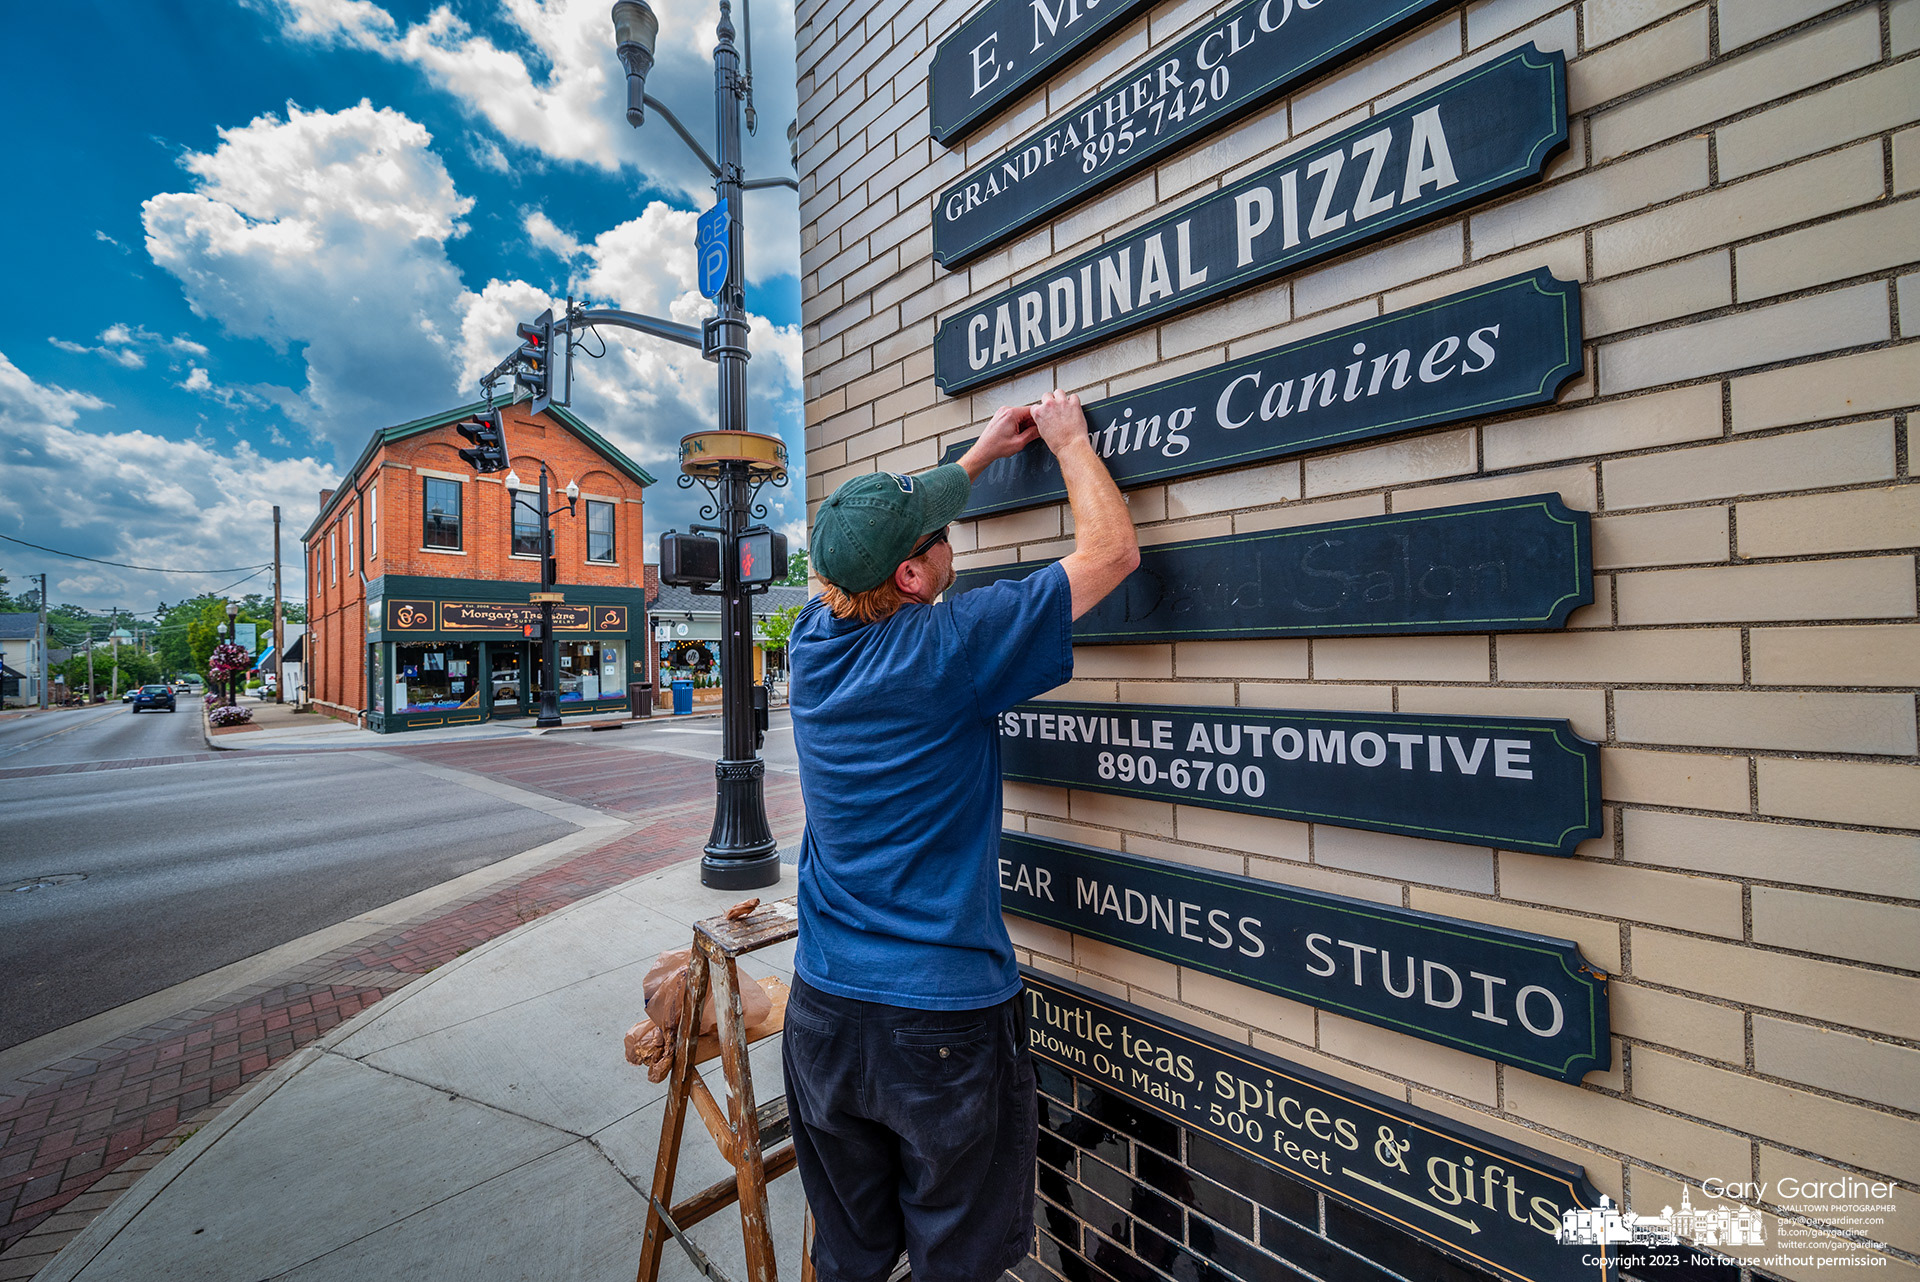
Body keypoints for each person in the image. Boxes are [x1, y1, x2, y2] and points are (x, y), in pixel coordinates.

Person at [784, 389, 1139, 1282]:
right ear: (911, 577)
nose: (952, 542)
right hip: (937, 1025)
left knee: (851, 1258)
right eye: (940, 537)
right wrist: (1067, 444)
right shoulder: (949, 651)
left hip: (822, 1012)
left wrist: (976, 457)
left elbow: (893, 539)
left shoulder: (812, 641)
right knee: (960, 1262)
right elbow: (1110, 554)